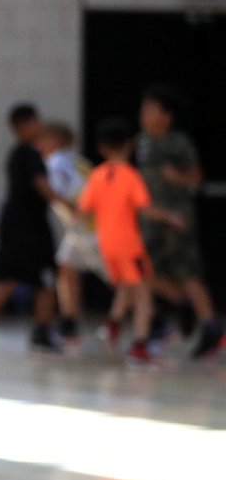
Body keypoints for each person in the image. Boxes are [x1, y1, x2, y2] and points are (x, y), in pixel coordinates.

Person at [0, 104, 71, 354]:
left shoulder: (17, 154)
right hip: (29, 228)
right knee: (44, 279)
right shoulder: (29, 154)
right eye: (35, 122)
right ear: (25, 125)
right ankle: (40, 333)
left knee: (9, 277)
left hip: (15, 224)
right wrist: (71, 206)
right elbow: (43, 186)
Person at [80, 118, 183, 365]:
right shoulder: (130, 175)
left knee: (128, 285)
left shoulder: (97, 175)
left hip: (106, 243)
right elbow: (145, 208)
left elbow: (84, 209)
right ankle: (140, 345)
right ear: (129, 145)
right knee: (143, 293)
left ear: (102, 148)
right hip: (128, 243)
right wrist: (169, 216)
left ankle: (112, 325)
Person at [135, 85, 224, 359]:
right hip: (149, 218)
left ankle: (211, 327)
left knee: (187, 272)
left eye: (151, 110)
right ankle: (180, 305)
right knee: (142, 271)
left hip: (176, 218)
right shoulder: (142, 142)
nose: (144, 115)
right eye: (144, 109)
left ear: (167, 116)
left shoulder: (178, 143)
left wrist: (178, 177)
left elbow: (196, 178)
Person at [39, 121, 103, 345]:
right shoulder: (78, 161)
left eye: (43, 139)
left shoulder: (56, 162)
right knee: (66, 269)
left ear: (55, 141)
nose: (39, 145)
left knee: (123, 278)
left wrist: (76, 211)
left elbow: (75, 191)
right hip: (83, 228)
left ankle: (155, 320)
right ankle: (69, 322)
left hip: (88, 227)